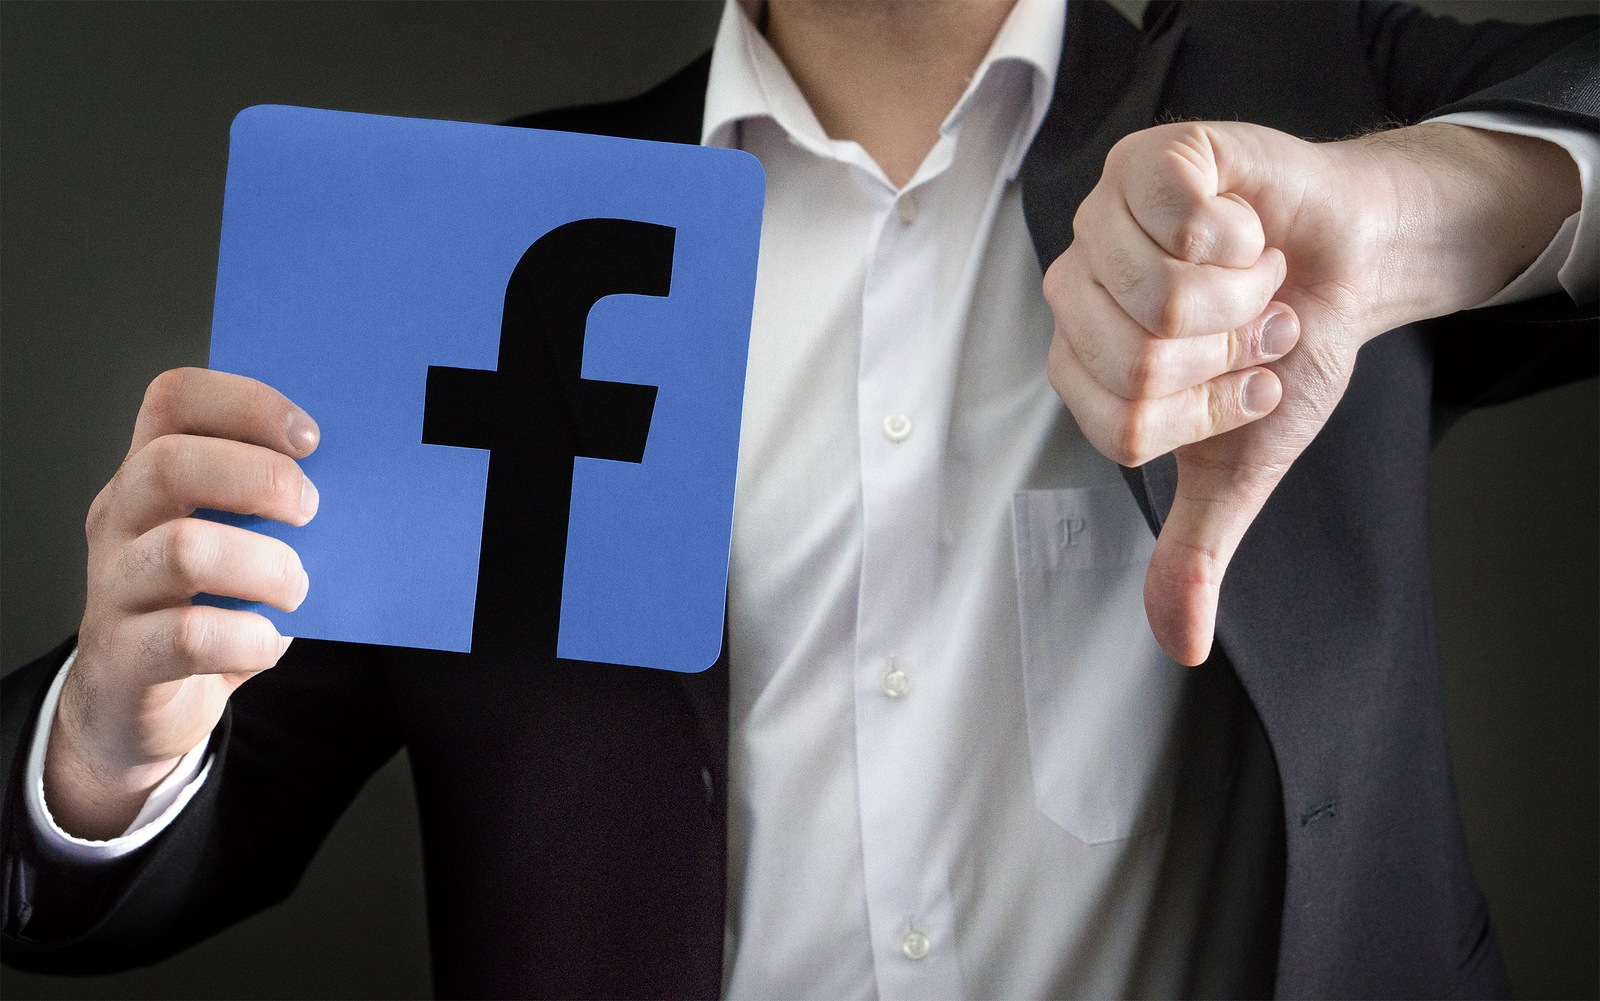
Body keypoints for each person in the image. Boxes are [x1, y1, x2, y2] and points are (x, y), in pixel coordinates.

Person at [2, 0, 1595, 997]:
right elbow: (161, 844)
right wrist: (103, 745)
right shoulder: (476, 252)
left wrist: (1403, 212)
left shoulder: (1308, 95)